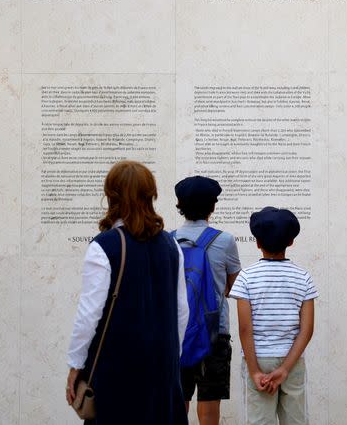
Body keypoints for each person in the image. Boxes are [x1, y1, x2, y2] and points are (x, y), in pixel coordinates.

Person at [65, 160, 189, 424]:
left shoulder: (104, 246)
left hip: (117, 364)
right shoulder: (171, 245)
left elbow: (89, 315)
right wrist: (169, 356)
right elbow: (182, 310)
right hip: (161, 366)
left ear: (112, 196)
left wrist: (76, 364)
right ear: (150, 195)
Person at [229, 207, 318, 425]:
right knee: (295, 420)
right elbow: (306, 330)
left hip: (257, 358)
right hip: (292, 360)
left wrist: (254, 371)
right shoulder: (303, 278)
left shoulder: (246, 279)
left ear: (257, 243)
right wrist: (286, 368)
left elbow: (245, 329)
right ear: (291, 242)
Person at [173, 175, 241, 425]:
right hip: (215, 332)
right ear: (213, 206)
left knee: (177, 404)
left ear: (179, 204)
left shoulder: (167, 240)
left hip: (177, 334)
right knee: (210, 407)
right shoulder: (225, 240)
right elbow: (232, 286)